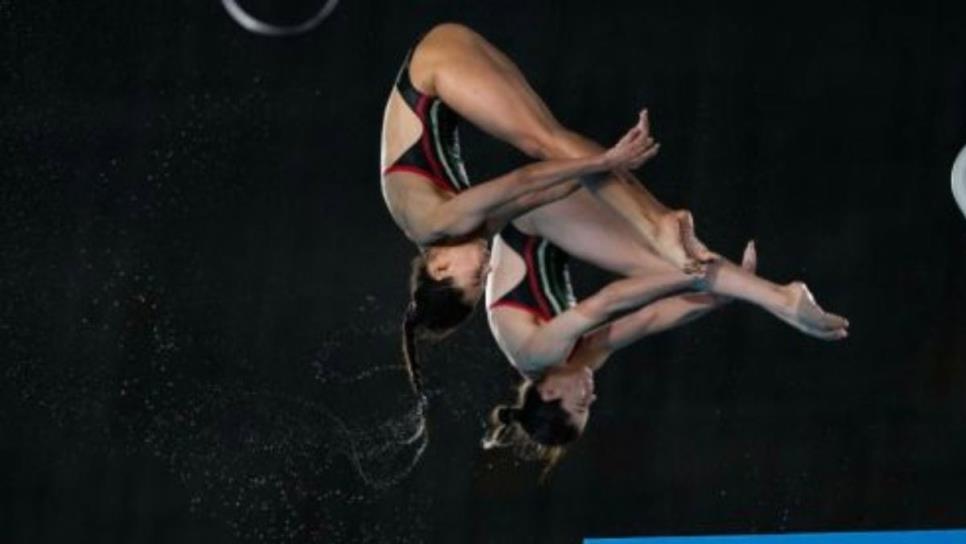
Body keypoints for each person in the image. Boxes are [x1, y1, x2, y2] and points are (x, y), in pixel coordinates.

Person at [383, 24, 714, 393]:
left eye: (476, 278)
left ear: (439, 266)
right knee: (555, 141)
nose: (488, 268)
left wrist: (603, 162)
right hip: (446, 65)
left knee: (544, 141)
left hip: (430, 70)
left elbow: (522, 180)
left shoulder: (433, 222)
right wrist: (606, 168)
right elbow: (540, 193)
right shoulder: (469, 231)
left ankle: (658, 223)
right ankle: (660, 219)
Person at [479, 221, 848, 466]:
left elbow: (609, 301)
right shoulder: (577, 362)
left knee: (673, 259)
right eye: (588, 406)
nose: (591, 396)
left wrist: (689, 277)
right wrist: (719, 297)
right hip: (557, 230)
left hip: (533, 219)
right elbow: (648, 319)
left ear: (548, 393)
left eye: (580, 403)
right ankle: (768, 296)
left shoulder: (536, 354)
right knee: (679, 259)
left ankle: (780, 298)